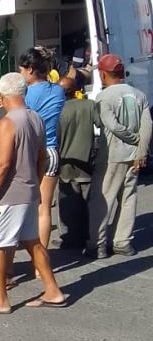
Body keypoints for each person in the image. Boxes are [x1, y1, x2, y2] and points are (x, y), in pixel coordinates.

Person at [0, 72, 65, 313]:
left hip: (8, 195)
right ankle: (53, 290)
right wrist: (35, 182)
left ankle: (0, 299)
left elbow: (3, 165)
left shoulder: (8, 122)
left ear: (2, 95)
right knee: (33, 243)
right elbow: (41, 157)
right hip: (29, 190)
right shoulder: (36, 118)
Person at [88, 53, 152, 258]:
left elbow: (108, 124)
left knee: (103, 199)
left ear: (103, 74)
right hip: (134, 156)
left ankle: (98, 245)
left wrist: (132, 138)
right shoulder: (139, 95)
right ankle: (123, 242)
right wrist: (141, 149)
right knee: (128, 198)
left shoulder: (103, 97)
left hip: (112, 156)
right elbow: (147, 126)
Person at [19, 47, 65, 251]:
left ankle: (28, 252)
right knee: (44, 207)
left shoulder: (27, 95)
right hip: (52, 150)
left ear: (29, 70)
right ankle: (42, 260)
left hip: (31, 152)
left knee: (24, 207)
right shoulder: (57, 90)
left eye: (21, 69)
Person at [56, 76, 97, 250]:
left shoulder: (57, 110)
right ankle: (88, 234)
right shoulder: (89, 105)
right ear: (75, 90)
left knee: (67, 204)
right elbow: (100, 124)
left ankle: (70, 238)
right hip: (86, 161)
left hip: (65, 164)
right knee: (88, 203)